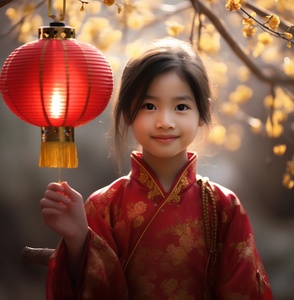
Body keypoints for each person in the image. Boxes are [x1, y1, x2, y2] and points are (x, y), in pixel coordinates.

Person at [40, 37, 273, 300]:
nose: (164, 121)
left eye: (181, 107)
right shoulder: (103, 206)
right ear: (128, 112)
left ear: (202, 113)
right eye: (149, 106)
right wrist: (78, 240)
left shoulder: (224, 207)